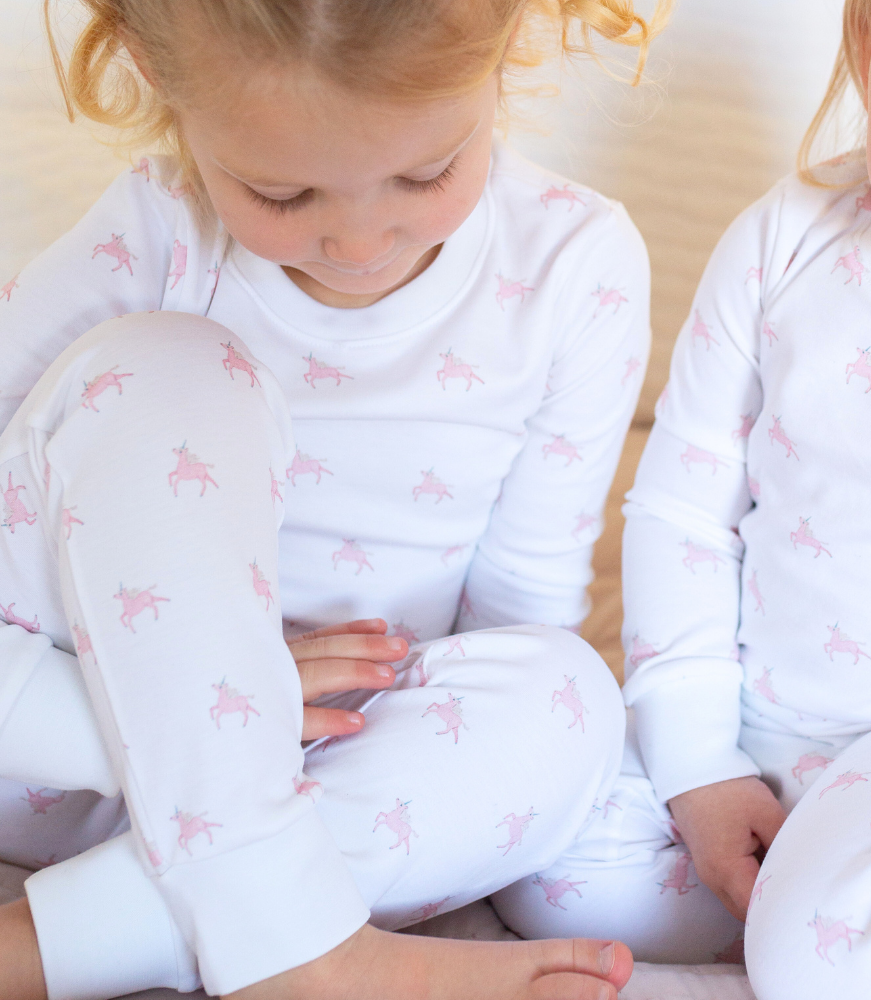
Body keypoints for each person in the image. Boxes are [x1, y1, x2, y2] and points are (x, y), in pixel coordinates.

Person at [0, 1, 665, 997]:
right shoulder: (156, 236)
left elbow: (518, 616)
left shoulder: (575, 266)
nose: (357, 243)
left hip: (330, 765)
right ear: (155, 71)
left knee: (572, 701)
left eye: (425, 174)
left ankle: (43, 950)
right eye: (281, 193)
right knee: (174, 369)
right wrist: (230, 708)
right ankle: (294, 945)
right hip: (65, 751)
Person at [493, 0, 871, 995]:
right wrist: (698, 764)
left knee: (859, 933)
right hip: (766, 723)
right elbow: (683, 513)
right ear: (865, 46)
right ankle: (820, 943)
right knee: (546, 867)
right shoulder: (789, 236)